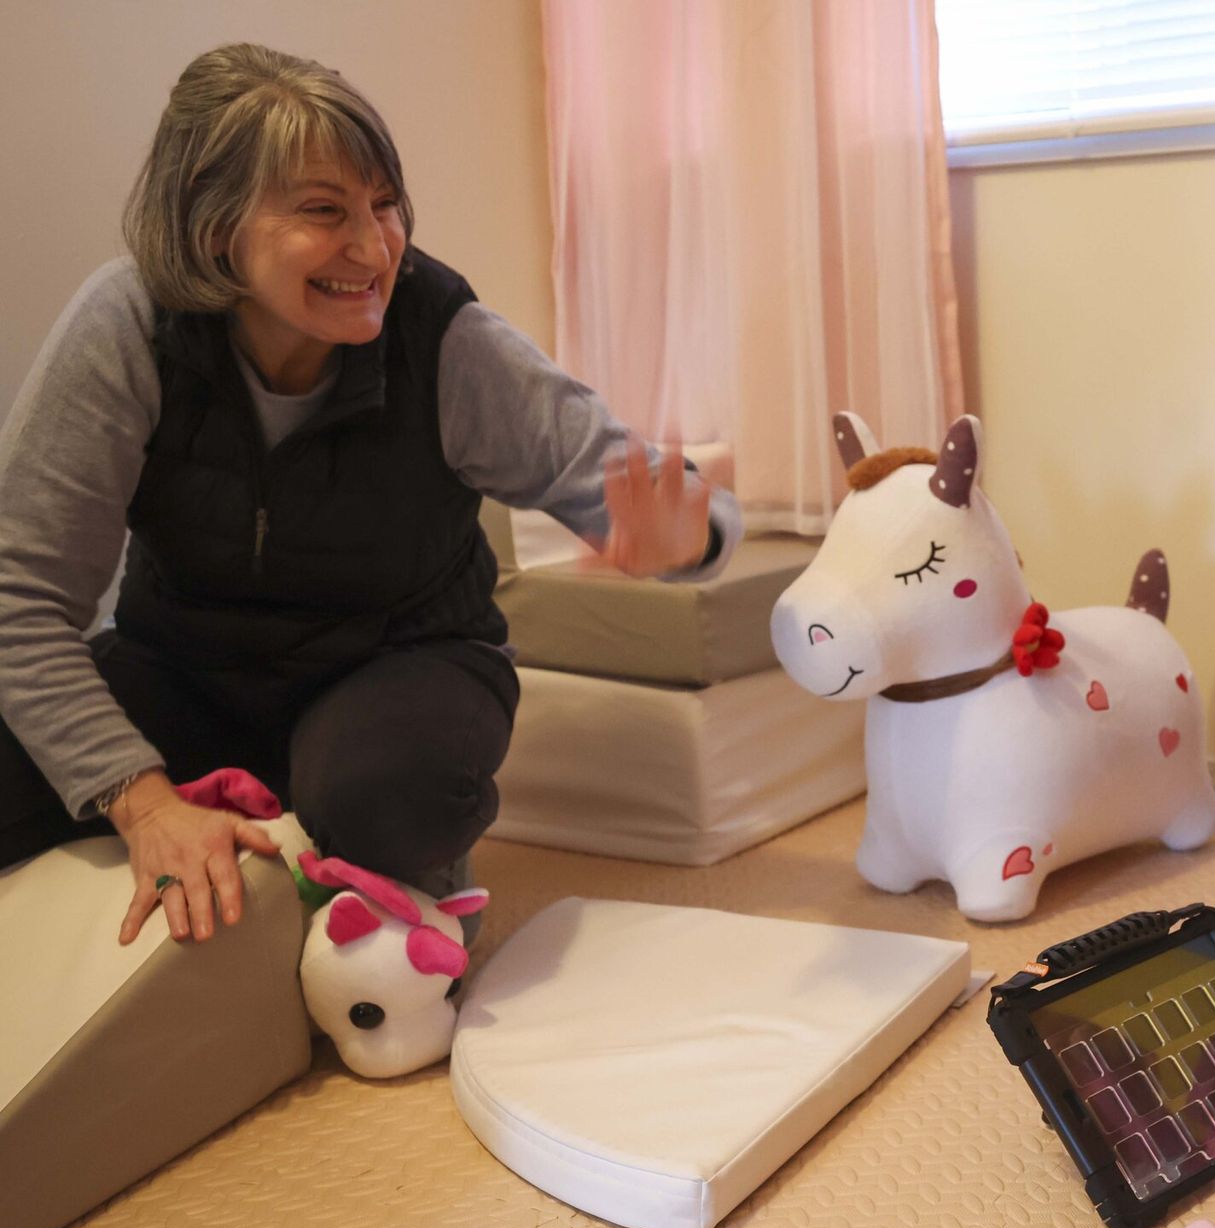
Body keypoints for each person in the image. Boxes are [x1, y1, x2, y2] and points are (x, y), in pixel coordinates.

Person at [0, 44, 740, 946]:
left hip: (400, 663)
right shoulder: (126, 330)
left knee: (385, 792)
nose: (374, 246)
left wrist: (687, 539)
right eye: (325, 211)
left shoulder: (445, 339)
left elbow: (674, 499)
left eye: (385, 206)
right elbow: (20, 602)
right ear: (210, 228)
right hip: (187, 668)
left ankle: (378, 852)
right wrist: (141, 799)